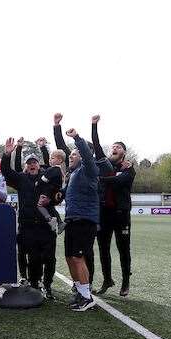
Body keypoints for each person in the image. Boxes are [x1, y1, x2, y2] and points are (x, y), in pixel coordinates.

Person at [1, 138, 57, 299]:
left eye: (35, 162)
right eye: (29, 163)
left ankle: (47, 285)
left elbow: (53, 167)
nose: (32, 164)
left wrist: (44, 148)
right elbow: (6, 170)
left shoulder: (47, 177)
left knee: (49, 258)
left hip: (46, 226)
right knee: (33, 259)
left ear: (39, 165)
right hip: (28, 226)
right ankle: (34, 286)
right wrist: (7, 154)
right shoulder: (21, 179)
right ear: (26, 166)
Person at [90, 115, 136, 296]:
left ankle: (125, 282)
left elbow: (118, 181)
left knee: (124, 248)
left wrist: (101, 179)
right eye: (113, 147)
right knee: (103, 248)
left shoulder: (129, 168)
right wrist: (94, 125)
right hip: (104, 214)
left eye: (119, 147)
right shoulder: (105, 164)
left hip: (121, 214)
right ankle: (107, 279)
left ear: (124, 153)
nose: (114, 148)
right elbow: (96, 144)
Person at [62, 127, 100, 311]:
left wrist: (77, 138)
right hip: (72, 220)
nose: (71, 156)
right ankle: (79, 291)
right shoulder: (74, 174)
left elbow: (86, 153)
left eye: (74, 154)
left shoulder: (89, 169)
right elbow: (68, 193)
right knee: (69, 257)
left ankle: (87, 297)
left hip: (84, 220)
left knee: (78, 257)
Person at [35, 147, 66, 233]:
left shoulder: (53, 170)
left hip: (48, 193)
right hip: (54, 194)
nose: (50, 160)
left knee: (40, 205)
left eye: (52, 158)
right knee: (50, 207)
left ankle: (50, 219)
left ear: (60, 160)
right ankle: (60, 222)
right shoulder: (60, 171)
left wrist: (38, 182)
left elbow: (44, 179)